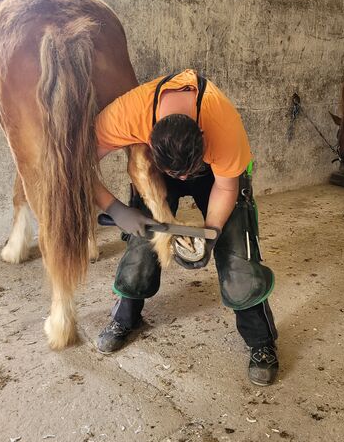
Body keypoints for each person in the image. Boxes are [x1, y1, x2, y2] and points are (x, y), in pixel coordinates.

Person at [94, 69, 278, 385]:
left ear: (204, 138)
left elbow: (226, 188)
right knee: (142, 239)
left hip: (216, 174)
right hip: (158, 167)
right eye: (177, 175)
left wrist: (212, 233)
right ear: (148, 138)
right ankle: (125, 317)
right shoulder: (127, 115)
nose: (182, 180)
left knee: (237, 247)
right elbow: (73, 163)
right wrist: (116, 209)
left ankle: (261, 341)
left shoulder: (223, 126)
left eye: (185, 173)